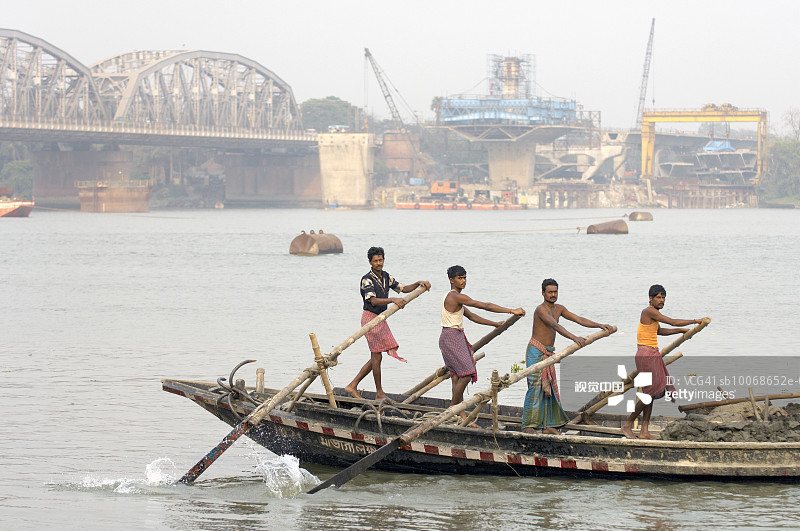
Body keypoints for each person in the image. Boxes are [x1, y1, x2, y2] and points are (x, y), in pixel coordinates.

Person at [522, 279, 613, 435]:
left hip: (548, 353)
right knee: (535, 389)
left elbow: (579, 319)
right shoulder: (540, 310)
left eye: (555, 292)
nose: (553, 295)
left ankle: (547, 426)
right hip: (536, 352)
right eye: (550, 292)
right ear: (543, 293)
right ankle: (528, 426)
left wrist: (599, 325)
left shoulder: (559, 309)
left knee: (548, 389)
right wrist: (574, 338)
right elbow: (554, 325)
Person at [439, 265, 525, 426]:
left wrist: (493, 324)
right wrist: (511, 310)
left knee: (457, 376)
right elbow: (484, 305)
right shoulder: (454, 296)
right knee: (466, 373)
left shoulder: (457, 298)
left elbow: (472, 316)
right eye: (460, 278)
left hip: (453, 336)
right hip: (451, 337)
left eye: (465, 277)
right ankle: (452, 409)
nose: (463, 281)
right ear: (451, 280)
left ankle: (461, 414)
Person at [345, 246, 430, 401]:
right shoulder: (367, 279)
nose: (379, 263)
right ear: (370, 262)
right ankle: (378, 393)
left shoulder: (385, 277)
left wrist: (419, 283)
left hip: (381, 318)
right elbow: (373, 300)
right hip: (371, 319)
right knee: (376, 357)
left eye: (381, 260)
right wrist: (392, 300)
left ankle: (353, 385)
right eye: (375, 261)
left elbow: (403, 289)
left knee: (376, 357)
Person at [621, 284, 703, 439]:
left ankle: (644, 431)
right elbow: (671, 322)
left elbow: (660, 331)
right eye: (658, 297)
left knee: (650, 394)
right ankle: (627, 425)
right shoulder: (648, 311)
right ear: (650, 298)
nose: (661, 300)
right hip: (646, 355)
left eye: (663, 297)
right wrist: (695, 321)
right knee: (650, 392)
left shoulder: (653, 315)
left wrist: (681, 331)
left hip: (652, 354)